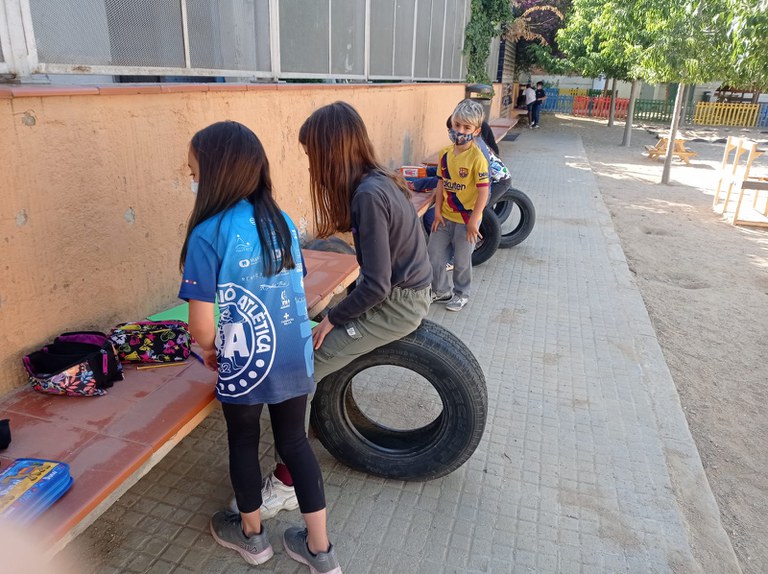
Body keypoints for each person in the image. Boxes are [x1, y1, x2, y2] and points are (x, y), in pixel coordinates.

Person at [251, 101, 432, 522]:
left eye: (312, 155)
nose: (311, 166)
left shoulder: (369, 195)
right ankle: (305, 439)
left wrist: (333, 317)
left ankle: (287, 483)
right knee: (312, 335)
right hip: (401, 294)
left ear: (330, 152)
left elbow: (376, 285)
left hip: (397, 305)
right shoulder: (377, 181)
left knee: (303, 366)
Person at [179, 121, 341, 573]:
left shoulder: (207, 233)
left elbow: (202, 328)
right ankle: (320, 549)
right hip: (293, 354)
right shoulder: (282, 220)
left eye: (194, 171)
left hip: (244, 361)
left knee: (243, 440)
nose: (191, 179)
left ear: (216, 173)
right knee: (294, 442)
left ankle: (253, 538)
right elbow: (291, 287)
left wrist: (212, 349)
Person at [427, 99, 490, 312]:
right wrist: (436, 212)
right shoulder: (444, 153)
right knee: (433, 255)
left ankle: (461, 293)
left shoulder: (477, 158)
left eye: (466, 127)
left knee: (462, 261)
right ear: (451, 124)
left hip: (467, 220)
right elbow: (440, 183)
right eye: (457, 125)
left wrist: (474, 221)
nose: (460, 131)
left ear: (476, 131)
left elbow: (484, 191)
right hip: (444, 217)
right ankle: (441, 290)